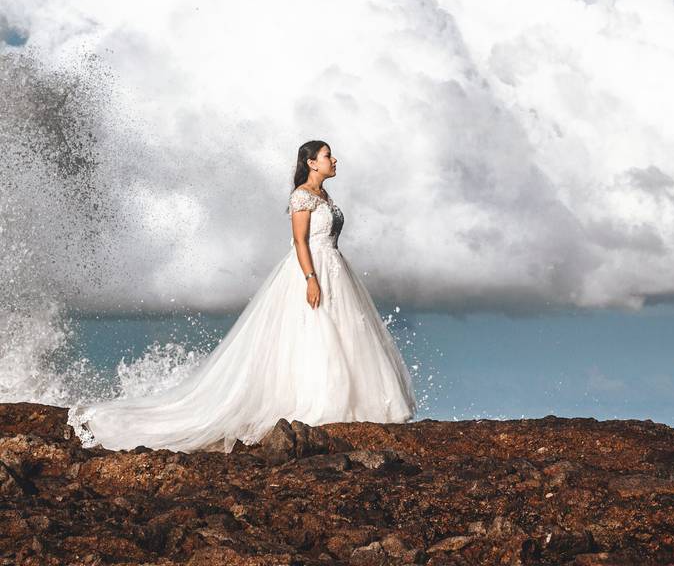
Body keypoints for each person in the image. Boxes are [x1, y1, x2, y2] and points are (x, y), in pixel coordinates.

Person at [67, 140, 417, 452]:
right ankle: (320, 402)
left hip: (337, 267)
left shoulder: (325, 197)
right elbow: (299, 241)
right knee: (314, 332)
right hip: (312, 269)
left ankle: (353, 404)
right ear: (311, 162)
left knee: (344, 334)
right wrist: (311, 278)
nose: (334, 160)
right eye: (327, 156)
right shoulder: (302, 196)